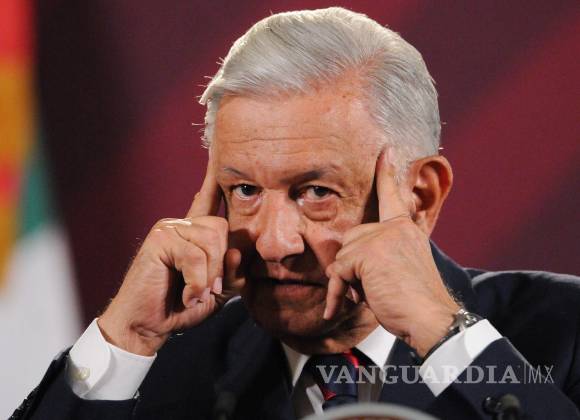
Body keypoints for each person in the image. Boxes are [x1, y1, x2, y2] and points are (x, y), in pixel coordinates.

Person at [12, 7, 580, 420]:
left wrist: (444, 335)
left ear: (421, 196)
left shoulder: (562, 331)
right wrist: (126, 336)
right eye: (244, 190)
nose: (273, 243)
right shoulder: (156, 368)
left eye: (315, 192)